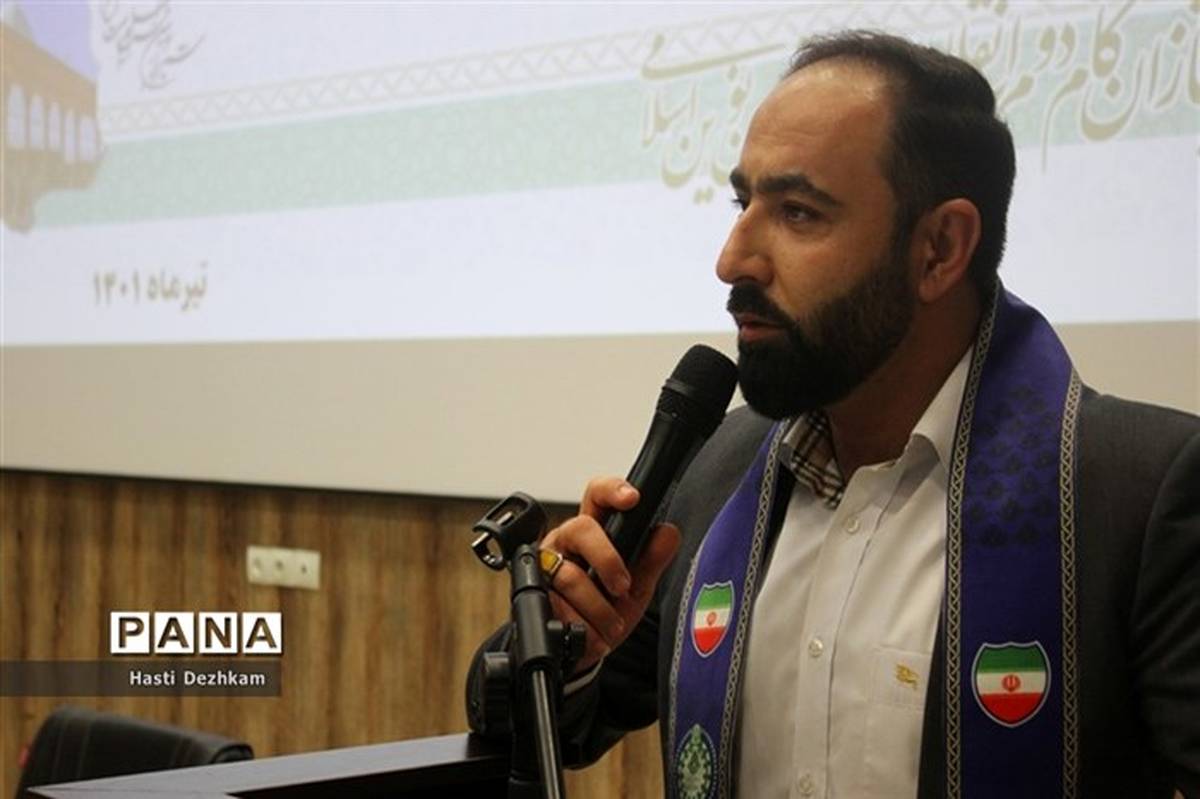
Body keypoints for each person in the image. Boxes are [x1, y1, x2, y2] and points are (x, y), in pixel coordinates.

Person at [468, 30, 1200, 799]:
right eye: (743, 202)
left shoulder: (1135, 496)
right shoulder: (719, 472)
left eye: (799, 212)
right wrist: (566, 637)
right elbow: (517, 723)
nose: (732, 259)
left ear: (939, 248)